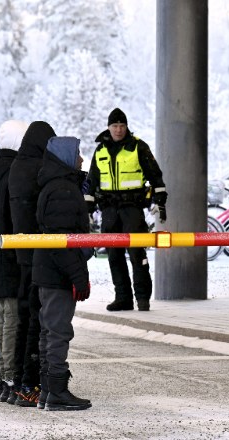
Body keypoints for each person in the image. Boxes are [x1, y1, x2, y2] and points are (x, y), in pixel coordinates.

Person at [85, 108, 167, 312]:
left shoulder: (138, 147)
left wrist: (160, 201)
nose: (119, 130)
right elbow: (92, 182)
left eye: (122, 125)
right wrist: (87, 208)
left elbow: (155, 176)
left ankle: (142, 299)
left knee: (137, 254)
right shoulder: (101, 150)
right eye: (115, 126)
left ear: (126, 126)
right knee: (114, 256)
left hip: (132, 208)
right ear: (108, 127)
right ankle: (123, 298)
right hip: (110, 210)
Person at [34, 136, 92, 411]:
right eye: (78, 153)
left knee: (49, 331)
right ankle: (56, 391)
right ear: (66, 157)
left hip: (48, 271)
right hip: (58, 274)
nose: (81, 159)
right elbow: (63, 241)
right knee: (58, 331)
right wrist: (77, 276)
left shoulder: (53, 185)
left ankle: (48, 390)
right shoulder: (63, 190)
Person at [8, 121, 57, 407]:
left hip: (20, 250)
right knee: (34, 320)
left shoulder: (17, 166)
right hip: (37, 252)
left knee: (23, 318)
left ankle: (19, 380)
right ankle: (30, 382)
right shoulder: (38, 170)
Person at [0, 120, 28, 404]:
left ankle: (0, 373)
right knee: (10, 317)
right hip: (9, 253)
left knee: (2, 316)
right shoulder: (14, 173)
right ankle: (10, 376)